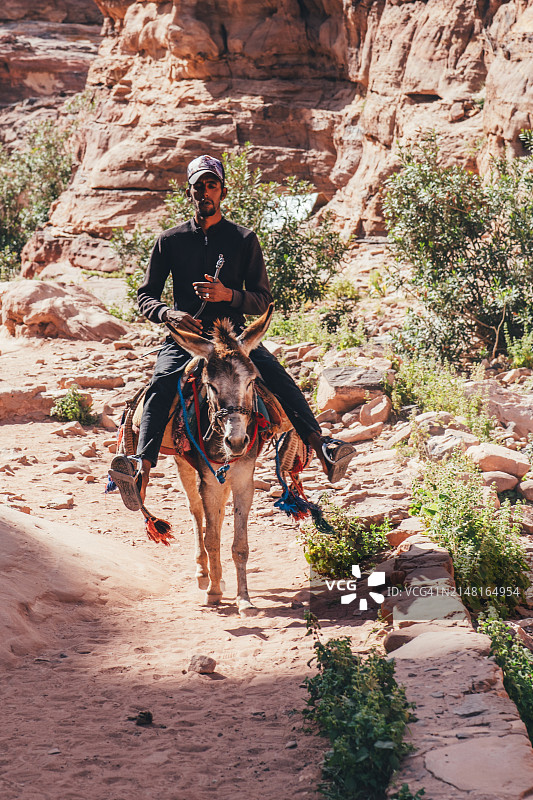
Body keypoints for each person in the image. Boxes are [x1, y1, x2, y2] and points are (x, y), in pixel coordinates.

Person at [116, 154, 355, 506]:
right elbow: (145, 296)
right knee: (161, 383)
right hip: (189, 340)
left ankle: (323, 446)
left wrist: (229, 295)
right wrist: (170, 313)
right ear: (190, 192)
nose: (205, 192)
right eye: (199, 186)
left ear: (223, 192)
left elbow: (262, 300)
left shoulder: (244, 239)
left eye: (212, 186)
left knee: (276, 376)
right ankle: (141, 468)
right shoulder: (170, 240)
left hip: (237, 341)